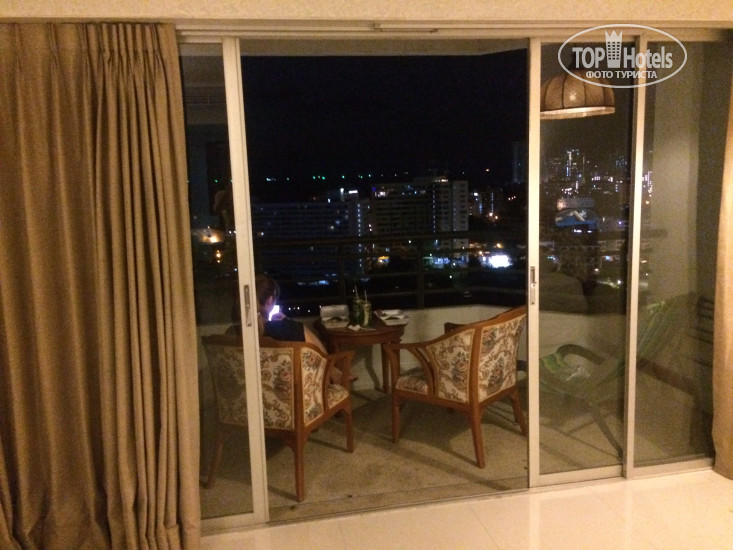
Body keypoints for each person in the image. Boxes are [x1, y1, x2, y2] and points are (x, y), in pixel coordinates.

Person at [255, 274, 326, 352]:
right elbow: (321, 352)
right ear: (270, 300)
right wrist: (287, 322)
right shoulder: (291, 329)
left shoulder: (247, 332)